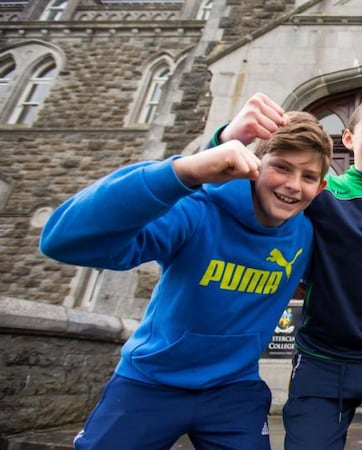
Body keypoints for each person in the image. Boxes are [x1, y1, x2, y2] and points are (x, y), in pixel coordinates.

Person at [39, 101, 333, 450]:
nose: (293, 185)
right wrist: (185, 172)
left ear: (321, 186)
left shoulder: (309, 234)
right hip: (150, 382)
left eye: (308, 177)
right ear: (255, 165)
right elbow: (61, 240)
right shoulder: (197, 212)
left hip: (233, 390)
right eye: (281, 167)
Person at [213, 92, 362, 449]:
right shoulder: (320, 192)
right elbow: (251, 183)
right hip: (322, 362)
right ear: (348, 139)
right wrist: (226, 137)